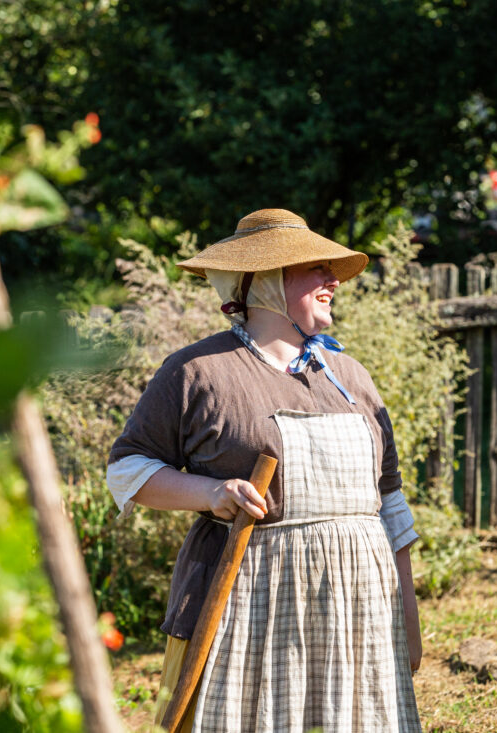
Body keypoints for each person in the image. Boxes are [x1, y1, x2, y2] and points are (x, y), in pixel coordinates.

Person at [106, 208, 422, 732]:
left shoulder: (351, 376)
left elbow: (390, 503)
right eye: (314, 268)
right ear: (265, 282)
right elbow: (127, 470)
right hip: (255, 608)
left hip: (360, 609)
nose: (331, 280)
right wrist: (209, 492)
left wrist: (407, 616)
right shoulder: (199, 371)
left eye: (331, 270)